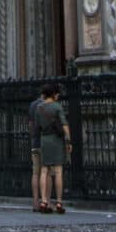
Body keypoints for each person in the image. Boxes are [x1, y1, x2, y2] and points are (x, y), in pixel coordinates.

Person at [33, 82, 70, 214]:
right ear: (54, 94)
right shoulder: (57, 106)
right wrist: (68, 141)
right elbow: (64, 125)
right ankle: (59, 202)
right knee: (58, 171)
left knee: (44, 170)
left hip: (45, 140)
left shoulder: (39, 108)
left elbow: (37, 126)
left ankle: (43, 201)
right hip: (57, 140)